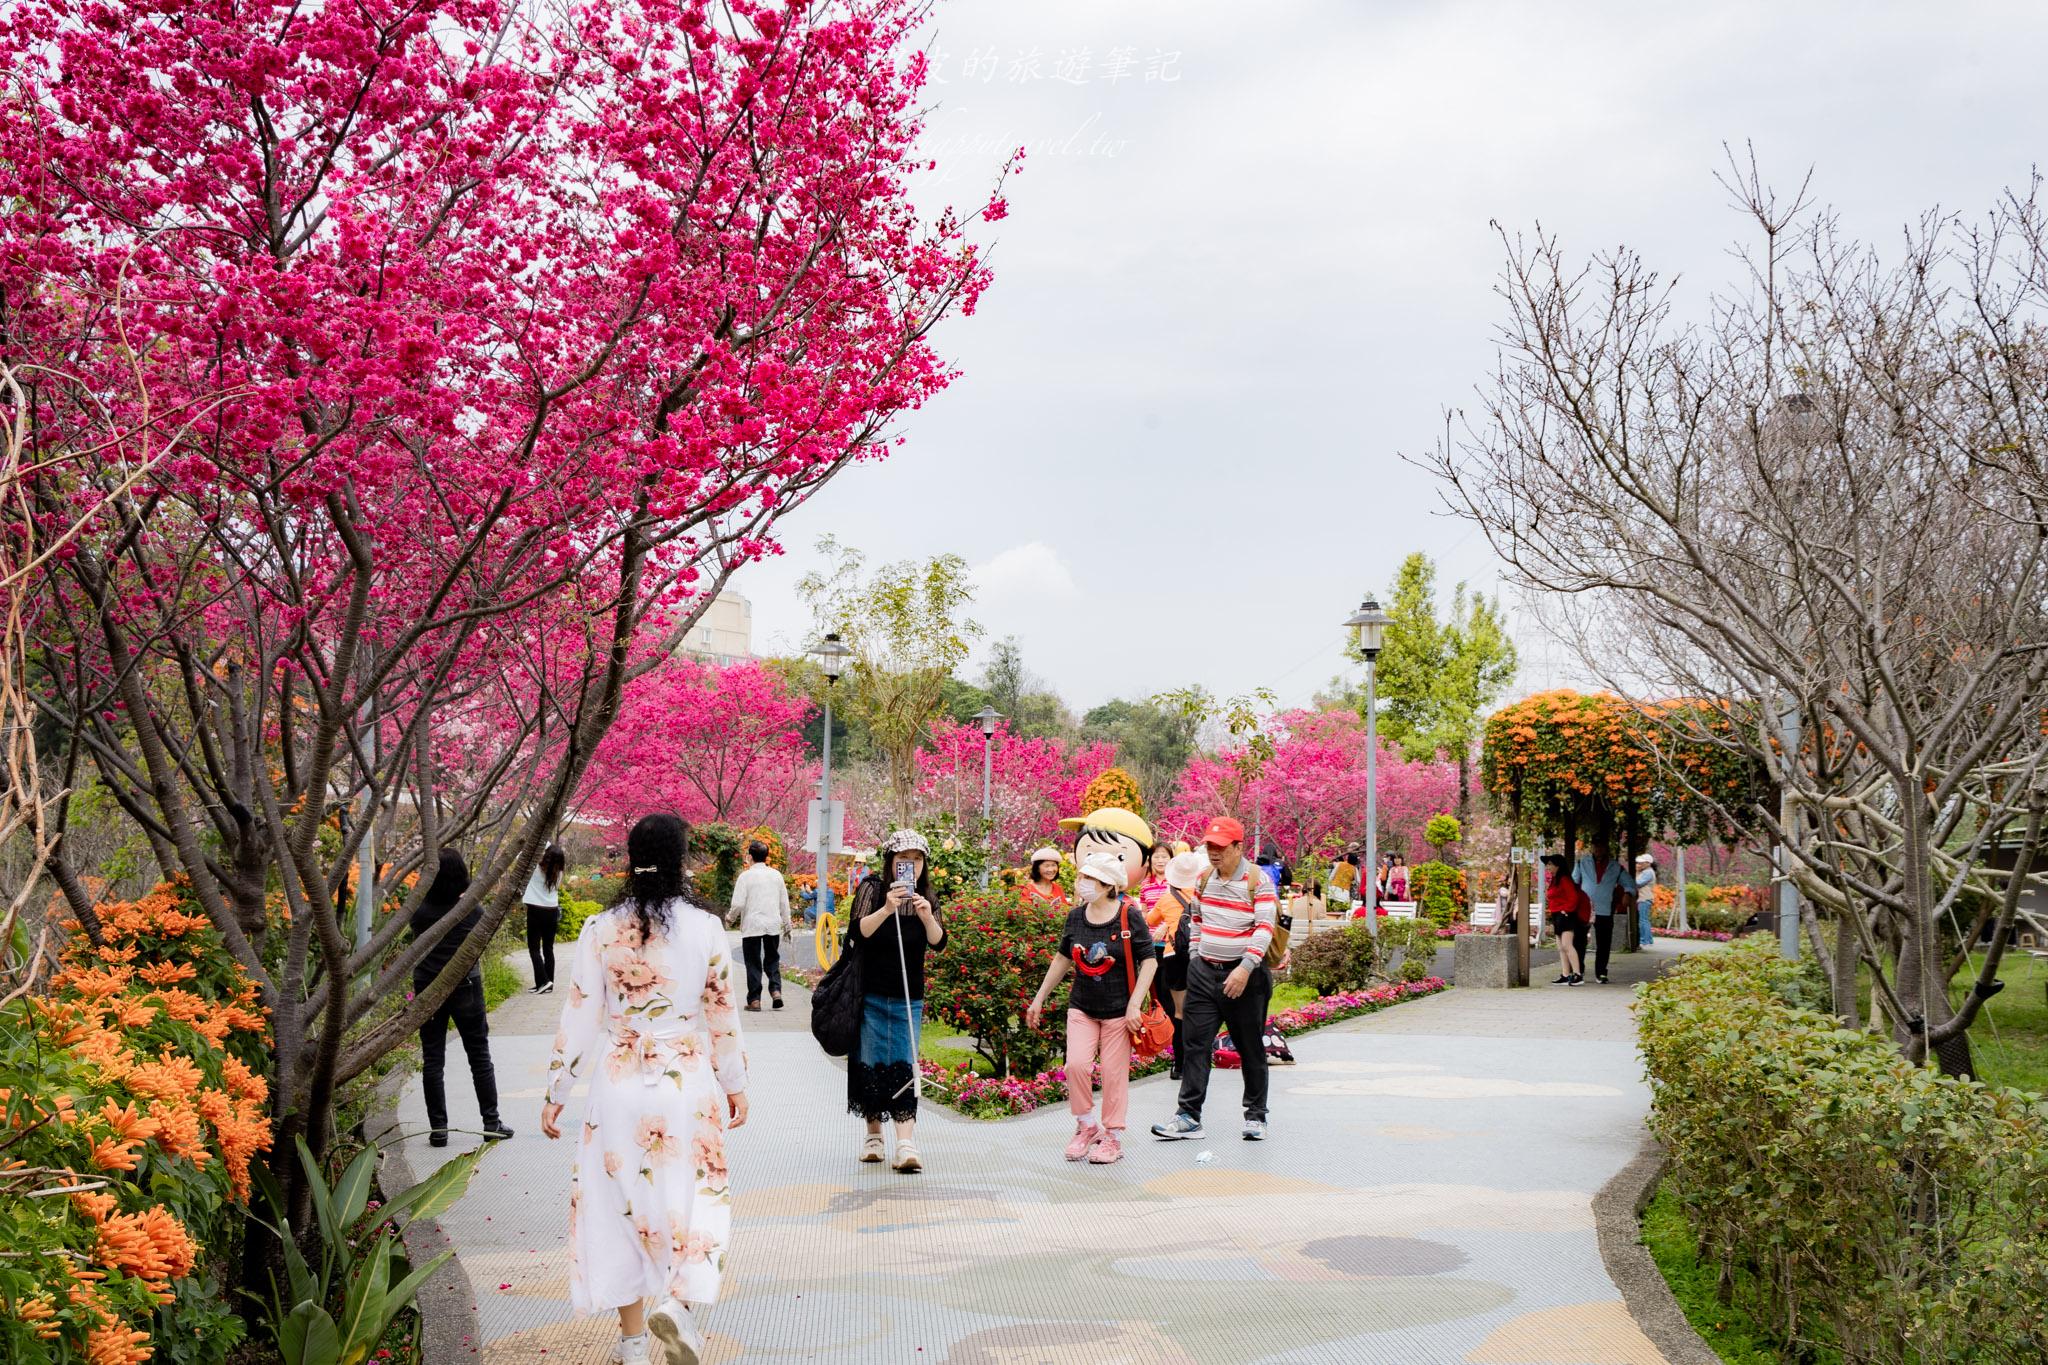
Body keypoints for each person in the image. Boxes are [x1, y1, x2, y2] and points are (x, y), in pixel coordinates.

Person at [540, 813, 747, 1365]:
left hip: (618, 1080)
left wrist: (557, 1089)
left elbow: (581, 1012)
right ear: (681, 859)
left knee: (617, 1207)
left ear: (630, 857)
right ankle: (678, 1305)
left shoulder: (599, 928)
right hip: (685, 1080)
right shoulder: (705, 928)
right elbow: (722, 1012)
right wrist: (736, 1083)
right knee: (693, 1193)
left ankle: (633, 1347)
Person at [1024, 854, 1157, 1165]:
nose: (1081, 883)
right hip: (1082, 1005)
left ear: (1108, 884)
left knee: (1113, 1075)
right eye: (1081, 877)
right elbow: (1062, 958)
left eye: (1089, 878)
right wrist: (1040, 997)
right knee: (1076, 1066)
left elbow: (1149, 961)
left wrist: (1135, 1003)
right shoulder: (1075, 917)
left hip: (1119, 1011)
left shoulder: (1128, 915)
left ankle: (1113, 1136)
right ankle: (1086, 1126)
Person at [1152, 816, 1277, 1143]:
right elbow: (1195, 920)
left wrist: (1245, 967)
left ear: (1239, 847)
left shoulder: (1258, 880)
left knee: (1250, 1048)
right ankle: (1188, 1116)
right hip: (1205, 974)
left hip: (1245, 978)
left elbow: (1265, 928)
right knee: (1195, 1045)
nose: (1214, 852)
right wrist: (1195, 957)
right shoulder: (1204, 879)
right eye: (1210, 846)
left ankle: (1255, 1115)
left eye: (1221, 847)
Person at [848, 828, 946, 1172]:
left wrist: (926, 916)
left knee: (905, 1065)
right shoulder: (873, 889)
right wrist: (888, 908)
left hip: (909, 997)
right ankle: (874, 1136)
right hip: (871, 993)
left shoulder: (928, 896)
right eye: (904, 860)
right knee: (872, 1063)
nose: (911, 866)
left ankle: (906, 1143)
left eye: (917, 860)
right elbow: (859, 931)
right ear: (891, 862)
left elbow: (938, 942)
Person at [410, 849, 511, 1147]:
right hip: (466, 986)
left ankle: (439, 1129)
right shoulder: (472, 911)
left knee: (433, 1060)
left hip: (428, 988)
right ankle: (491, 1122)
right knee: (479, 1056)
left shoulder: (420, 913)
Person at [1155, 850, 1205, 1077]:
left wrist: (1167, 923)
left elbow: (1149, 921)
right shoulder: (1202, 894)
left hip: (1172, 956)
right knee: (1202, 1009)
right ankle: (1199, 1062)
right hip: (1199, 954)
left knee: (1179, 1012)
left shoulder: (1166, 899)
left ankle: (1179, 1064)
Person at [728, 841, 792, 1012]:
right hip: (772, 924)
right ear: (766, 856)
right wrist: (788, 925)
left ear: (750, 856)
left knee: (753, 962)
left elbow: (738, 904)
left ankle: (755, 1000)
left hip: (752, 925)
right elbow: (784, 903)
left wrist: (729, 918)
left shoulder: (745, 876)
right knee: (772, 959)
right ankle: (776, 991)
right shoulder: (776, 875)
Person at [1575, 836, 1637, 984]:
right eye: (1595, 846)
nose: (1598, 849)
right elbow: (1573, 881)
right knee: (1579, 941)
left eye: (1601, 846)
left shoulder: (1615, 866)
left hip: (1605, 908)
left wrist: (1628, 893)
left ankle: (1601, 972)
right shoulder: (1581, 862)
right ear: (1592, 848)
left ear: (1606, 848)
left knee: (1604, 943)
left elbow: (1630, 883)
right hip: (1584, 908)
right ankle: (1579, 971)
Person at [523, 844, 569, 995]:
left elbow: (524, 853)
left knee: (534, 948)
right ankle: (546, 984)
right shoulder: (559, 873)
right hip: (552, 911)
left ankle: (543, 981)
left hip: (536, 910)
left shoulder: (534, 869)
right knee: (548, 949)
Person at [1542, 854, 1589, 985]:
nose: (1548, 867)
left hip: (1566, 916)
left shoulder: (1564, 879)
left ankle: (1578, 974)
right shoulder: (1555, 880)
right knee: (1560, 947)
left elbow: (1573, 897)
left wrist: (1566, 910)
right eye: (1547, 864)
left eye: (1550, 864)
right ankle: (1565, 974)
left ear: (1558, 866)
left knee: (1567, 945)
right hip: (1557, 915)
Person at [1137, 843, 1171, 921]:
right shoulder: (1145, 884)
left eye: (1164, 857)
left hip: (1173, 931)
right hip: (1151, 932)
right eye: (1156, 857)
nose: (1160, 860)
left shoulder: (1176, 882)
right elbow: (1144, 912)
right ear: (1150, 859)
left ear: (1171, 858)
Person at [1634, 853, 1658, 946]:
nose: (1638, 865)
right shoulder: (1645, 871)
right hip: (1643, 898)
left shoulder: (1648, 872)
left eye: (1641, 863)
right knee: (1644, 920)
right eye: (1638, 863)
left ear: (1648, 863)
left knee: (1643, 920)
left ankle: (1645, 940)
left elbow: (1638, 883)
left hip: (1644, 898)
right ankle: (1648, 940)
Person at [1327, 850, 1357, 917]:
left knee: (1331, 909)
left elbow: (1332, 875)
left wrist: (1329, 886)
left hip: (1334, 888)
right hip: (1345, 892)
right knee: (1343, 910)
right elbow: (1358, 881)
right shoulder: (1354, 869)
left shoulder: (1340, 864)